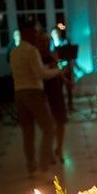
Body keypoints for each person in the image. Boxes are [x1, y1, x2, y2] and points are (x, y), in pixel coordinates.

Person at [10, 21, 61, 179]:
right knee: (49, 128)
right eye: (34, 32)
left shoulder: (14, 52)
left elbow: (31, 71)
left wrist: (47, 69)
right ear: (27, 33)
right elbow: (40, 75)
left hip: (19, 94)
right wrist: (58, 71)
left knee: (28, 132)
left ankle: (31, 167)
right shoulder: (32, 51)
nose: (36, 35)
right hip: (33, 93)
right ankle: (43, 168)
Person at [36, 31, 67, 164]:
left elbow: (58, 72)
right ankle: (49, 153)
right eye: (41, 42)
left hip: (57, 93)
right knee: (48, 126)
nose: (44, 44)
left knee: (61, 123)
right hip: (44, 94)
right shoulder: (36, 58)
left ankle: (59, 150)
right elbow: (40, 74)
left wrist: (66, 80)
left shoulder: (53, 55)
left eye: (46, 41)